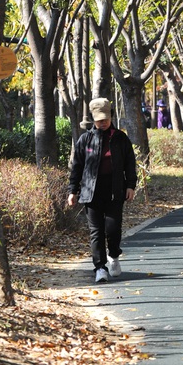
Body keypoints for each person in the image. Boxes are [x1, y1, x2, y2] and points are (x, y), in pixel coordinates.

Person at [67, 97, 137, 283]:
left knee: (113, 229)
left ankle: (113, 255)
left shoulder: (121, 138)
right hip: (91, 192)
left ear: (111, 116)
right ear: (93, 119)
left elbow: (130, 163)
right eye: (99, 119)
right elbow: (77, 167)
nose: (103, 122)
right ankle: (100, 267)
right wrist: (73, 190)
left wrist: (130, 185)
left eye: (105, 118)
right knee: (96, 232)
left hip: (115, 191)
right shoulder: (85, 139)